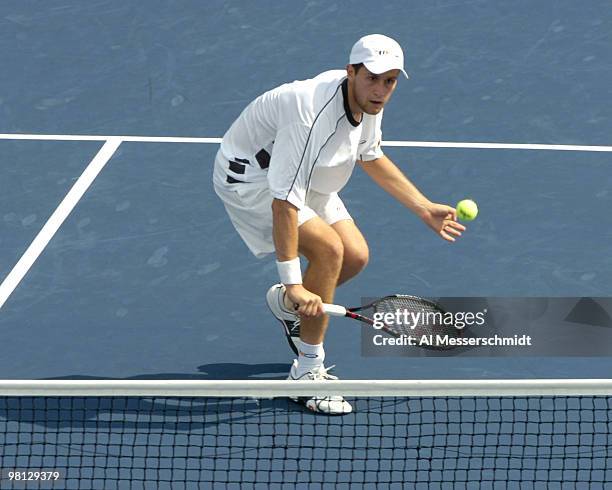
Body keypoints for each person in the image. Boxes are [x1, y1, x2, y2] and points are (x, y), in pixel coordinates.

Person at [213, 34, 466, 414]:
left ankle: (285, 308)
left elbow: (370, 155)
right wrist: (294, 282)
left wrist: (423, 207)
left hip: (307, 172)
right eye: (373, 78)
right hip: (252, 179)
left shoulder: (368, 101)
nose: (381, 90)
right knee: (328, 250)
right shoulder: (311, 114)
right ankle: (306, 372)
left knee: (355, 256)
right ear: (351, 71)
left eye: (390, 81)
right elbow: (283, 204)